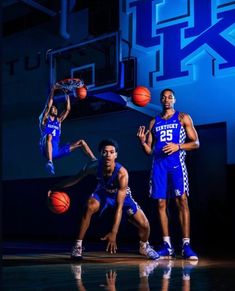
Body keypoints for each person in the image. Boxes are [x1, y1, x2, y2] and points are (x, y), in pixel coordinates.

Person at [48, 138, 159, 260]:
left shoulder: (122, 174)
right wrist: (55, 187)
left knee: (145, 225)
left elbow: (119, 207)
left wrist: (114, 232)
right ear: (101, 154)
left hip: (122, 197)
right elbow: (75, 179)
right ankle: (77, 245)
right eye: (105, 152)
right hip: (103, 193)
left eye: (111, 152)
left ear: (116, 155)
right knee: (89, 206)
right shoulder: (93, 167)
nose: (108, 155)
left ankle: (144, 246)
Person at [137, 88, 200, 260]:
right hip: (158, 167)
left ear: (174, 100)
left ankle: (186, 245)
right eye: (163, 97)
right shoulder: (153, 122)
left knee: (182, 202)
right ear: (160, 100)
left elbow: (195, 143)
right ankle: (167, 245)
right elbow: (149, 151)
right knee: (161, 204)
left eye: (170, 97)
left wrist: (178, 146)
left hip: (176, 166)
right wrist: (143, 142)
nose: (167, 100)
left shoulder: (183, 117)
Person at [39, 84, 96, 175]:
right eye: (53, 108)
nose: (55, 109)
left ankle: (94, 160)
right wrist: (53, 90)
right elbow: (48, 105)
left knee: (82, 142)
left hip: (57, 151)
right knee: (49, 136)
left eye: (56, 109)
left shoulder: (58, 121)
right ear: (50, 111)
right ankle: (50, 162)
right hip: (45, 150)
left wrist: (67, 95)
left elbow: (67, 109)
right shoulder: (45, 120)